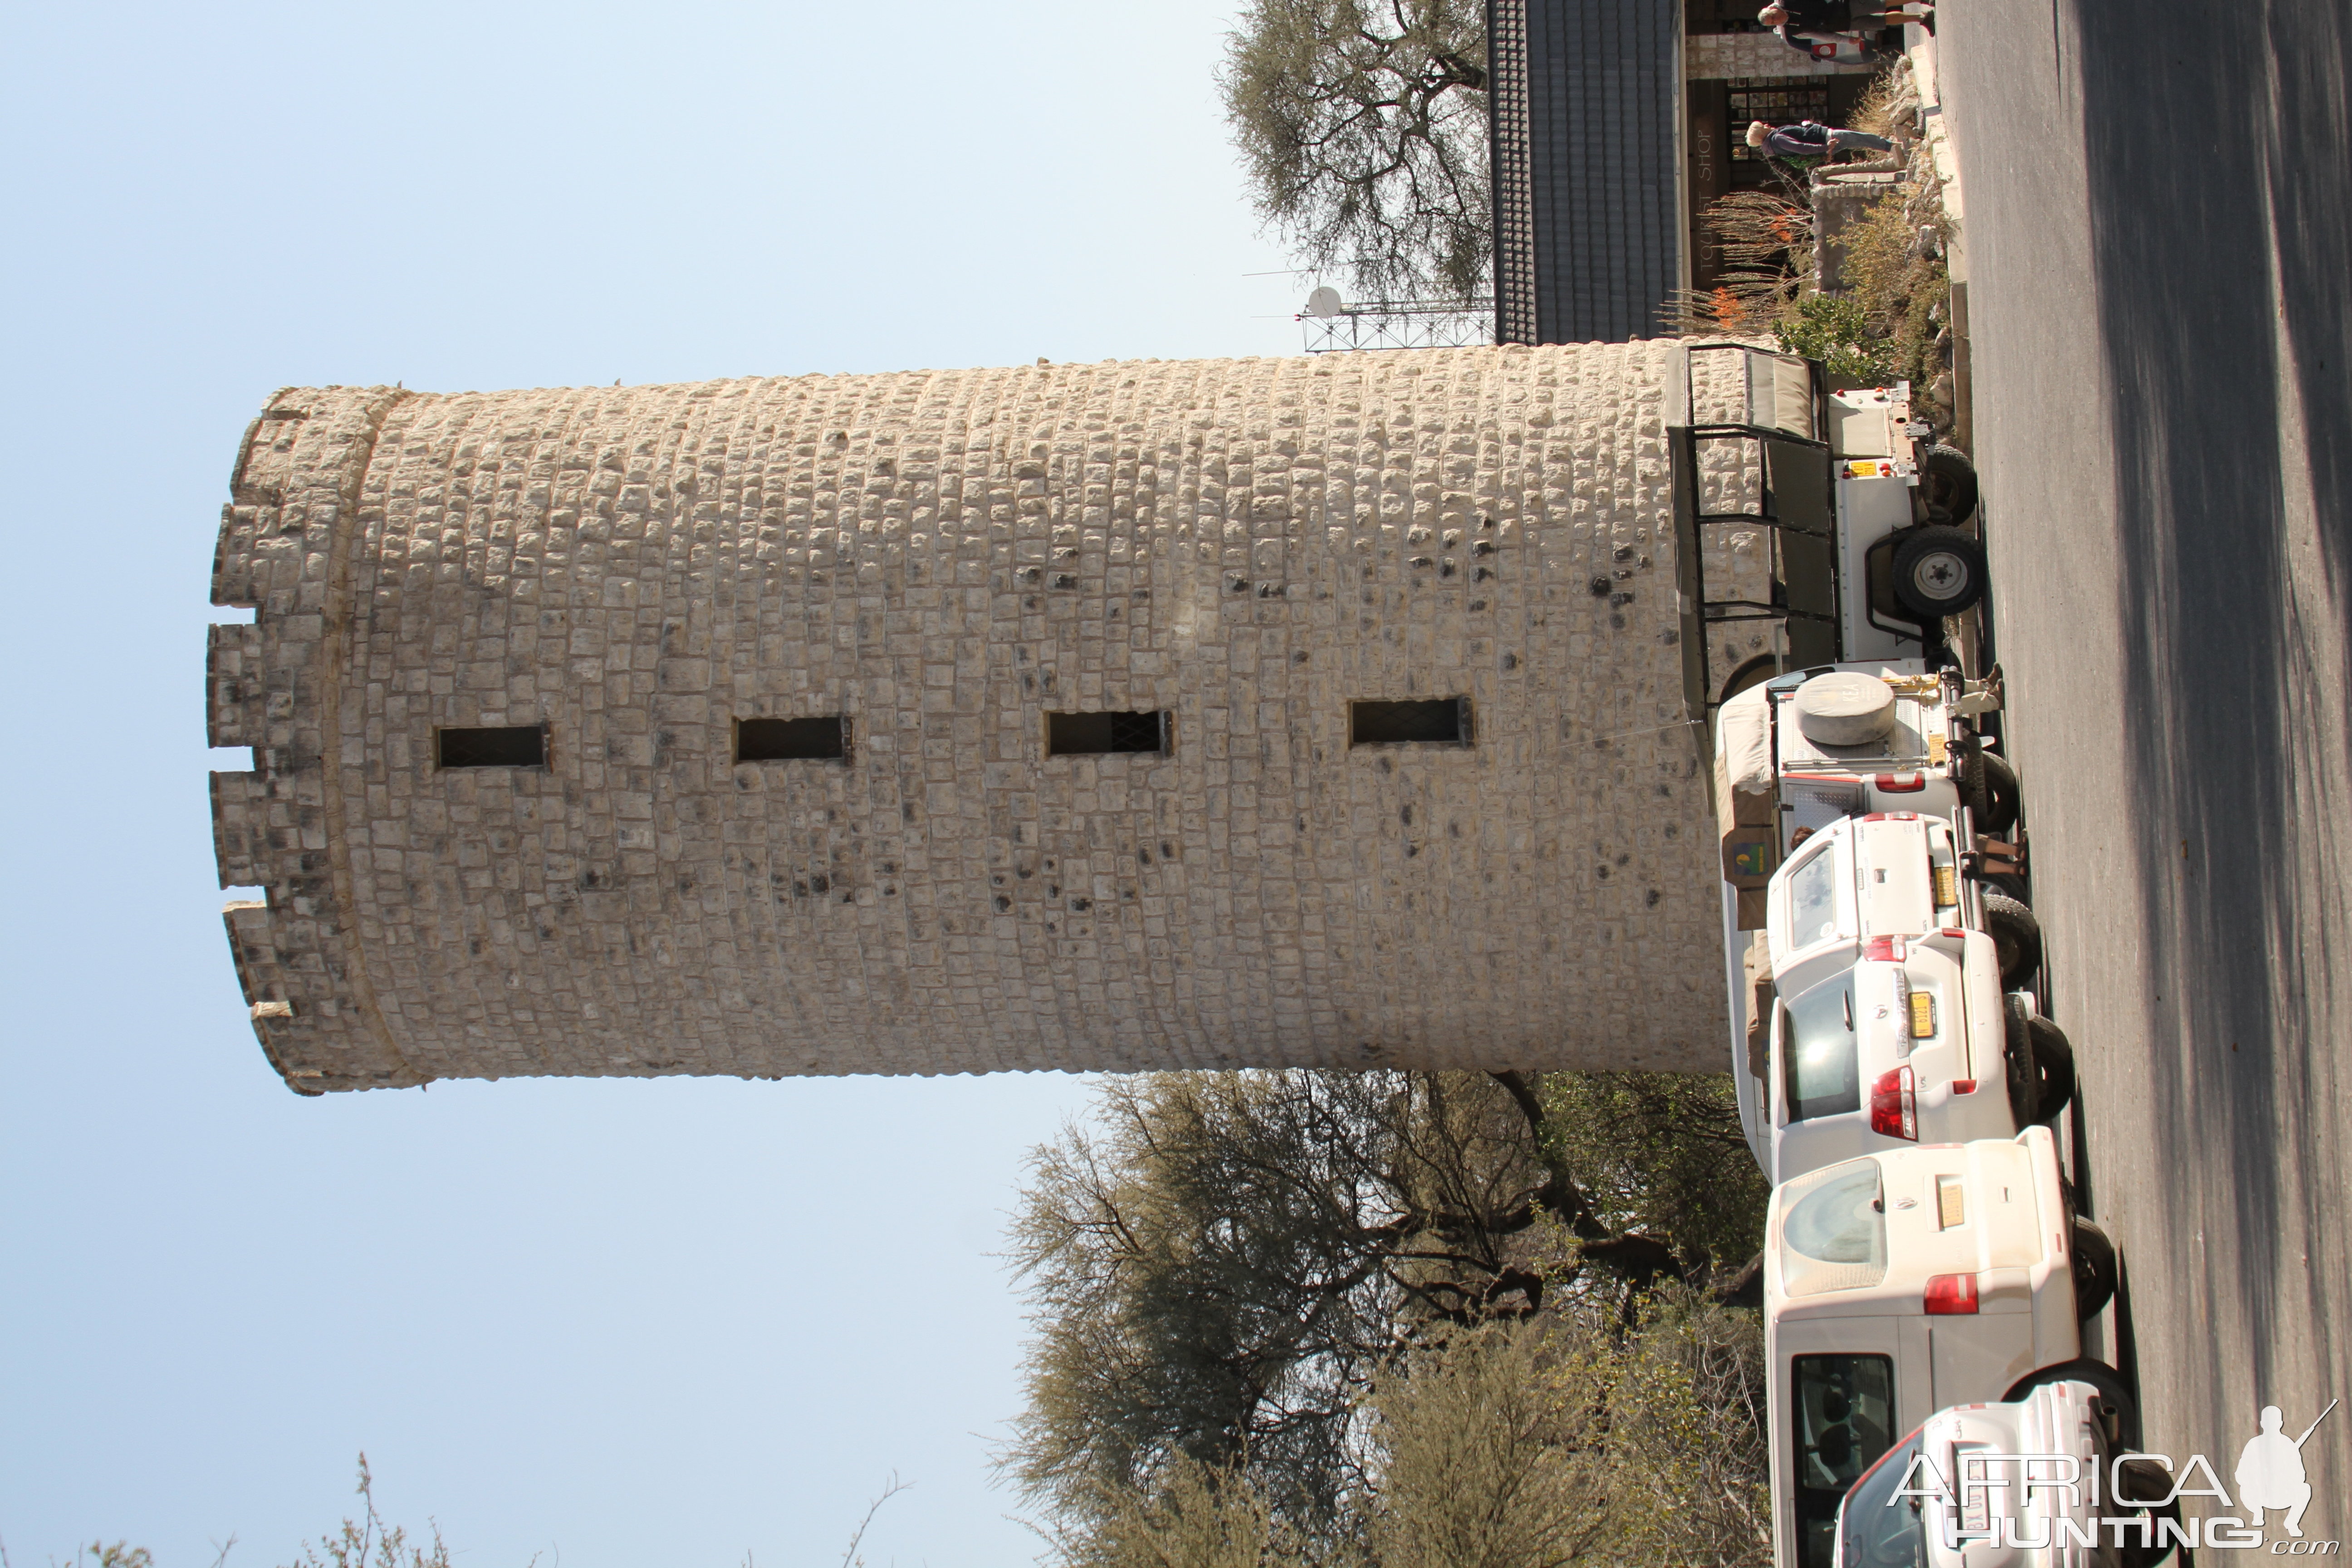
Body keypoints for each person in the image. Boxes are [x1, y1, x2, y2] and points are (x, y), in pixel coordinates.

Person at [1747, 118, 1896, 162]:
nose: (1766, 125)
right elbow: (1801, 147)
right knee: (1860, 138)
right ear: (1761, 134)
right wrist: (1825, 147)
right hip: (1828, 139)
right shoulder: (1778, 139)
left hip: (1826, 141)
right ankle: (1891, 147)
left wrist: (1807, 126)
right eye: (1763, 127)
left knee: (1860, 140)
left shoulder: (1775, 143)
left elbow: (1801, 140)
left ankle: (1889, 146)